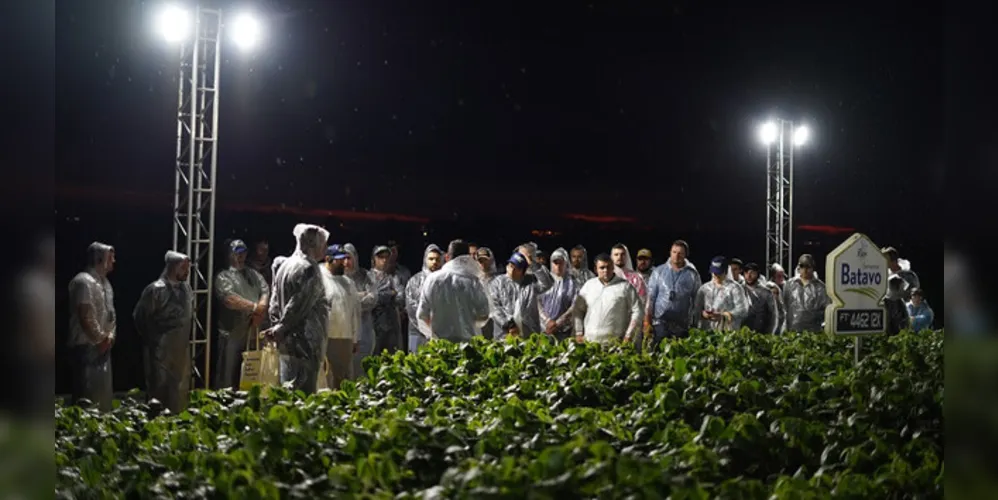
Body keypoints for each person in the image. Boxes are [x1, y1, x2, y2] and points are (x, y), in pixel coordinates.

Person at [264, 224, 331, 394]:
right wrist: (282, 326)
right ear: (313, 243)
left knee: (288, 389)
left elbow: (274, 304)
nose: (325, 249)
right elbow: (299, 303)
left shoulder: (285, 265)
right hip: (306, 343)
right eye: (323, 244)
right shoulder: (309, 268)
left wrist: (278, 327)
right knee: (304, 395)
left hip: (287, 342)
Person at [132, 251, 192, 413]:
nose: (187, 272)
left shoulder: (186, 290)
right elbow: (140, 318)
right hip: (160, 353)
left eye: (188, 268)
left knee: (179, 393)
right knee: (159, 392)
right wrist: (155, 342)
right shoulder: (155, 290)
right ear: (173, 267)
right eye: (183, 268)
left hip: (180, 353)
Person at [213, 240, 270, 389]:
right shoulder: (223, 276)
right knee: (228, 372)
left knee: (252, 372)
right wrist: (254, 307)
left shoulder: (253, 274)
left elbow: (265, 290)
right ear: (229, 255)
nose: (241, 257)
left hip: (253, 331)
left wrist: (261, 307)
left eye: (243, 253)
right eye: (237, 253)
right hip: (232, 333)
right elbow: (230, 299)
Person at [67, 242, 117, 411]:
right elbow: (85, 316)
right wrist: (100, 339)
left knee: (102, 398)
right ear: (99, 259)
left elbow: (111, 315)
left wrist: (109, 337)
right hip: (86, 346)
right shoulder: (83, 281)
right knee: (87, 397)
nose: (113, 261)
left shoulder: (105, 284)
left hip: (103, 346)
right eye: (110, 258)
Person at [416, 239, 491, 343]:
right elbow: (484, 313)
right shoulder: (474, 282)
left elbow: (422, 315)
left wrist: (433, 333)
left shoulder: (432, 279)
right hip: (467, 346)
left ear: (447, 257)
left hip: (440, 346)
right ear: (468, 259)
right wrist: (469, 320)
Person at [572, 253, 643, 346]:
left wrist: (629, 335)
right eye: (602, 268)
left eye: (608, 267)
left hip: (614, 344)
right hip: (590, 342)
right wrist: (578, 332)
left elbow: (637, 310)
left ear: (613, 268)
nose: (605, 270)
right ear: (595, 269)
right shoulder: (588, 286)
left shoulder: (625, 287)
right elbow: (578, 310)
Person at [645, 240, 701, 349]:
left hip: (681, 325)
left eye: (680, 253)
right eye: (674, 252)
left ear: (686, 255)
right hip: (660, 322)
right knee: (658, 352)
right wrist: (647, 321)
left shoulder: (692, 274)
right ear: (670, 252)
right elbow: (650, 298)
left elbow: (696, 300)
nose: (676, 256)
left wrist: (695, 324)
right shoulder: (659, 271)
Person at [489, 246, 554, 339]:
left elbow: (548, 283)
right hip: (505, 334)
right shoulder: (497, 282)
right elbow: (494, 307)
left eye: (517, 268)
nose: (513, 270)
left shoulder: (530, 282)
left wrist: (534, 264)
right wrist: (508, 325)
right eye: (511, 265)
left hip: (529, 334)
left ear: (523, 271)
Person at [321, 244, 361, 389]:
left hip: (346, 337)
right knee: (327, 379)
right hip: (327, 337)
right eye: (339, 260)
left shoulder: (348, 282)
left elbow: (354, 312)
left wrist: (355, 338)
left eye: (345, 259)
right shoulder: (319, 278)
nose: (344, 263)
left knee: (345, 379)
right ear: (328, 259)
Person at [343, 243, 377, 378]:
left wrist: (350, 299)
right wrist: (360, 295)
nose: (346, 262)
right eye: (344, 258)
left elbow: (372, 299)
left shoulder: (366, 276)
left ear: (355, 258)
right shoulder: (338, 278)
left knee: (362, 371)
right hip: (344, 331)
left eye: (349, 258)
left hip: (364, 330)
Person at [404, 244, 444, 352]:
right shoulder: (414, 281)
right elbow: (412, 310)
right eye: (431, 259)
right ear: (425, 260)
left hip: (440, 333)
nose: (434, 262)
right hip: (417, 332)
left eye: (437, 259)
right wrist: (427, 329)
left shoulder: (446, 281)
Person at [694, 256, 749, 332]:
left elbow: (743, 310)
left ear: (726, 271)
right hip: (706, 332)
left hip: (728, 333)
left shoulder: (735, 288)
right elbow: (696, 309)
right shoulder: (704, 289)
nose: (716, 275)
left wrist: (723, 316)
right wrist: (702, 313)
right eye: (714, 272)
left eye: (719, 273)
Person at [538, 248, 581, 342]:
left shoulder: (573, 283)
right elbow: (538, 303)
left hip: (564, 331)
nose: (558, 266)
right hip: (545, 329)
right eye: (555, 263)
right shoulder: (544, 281)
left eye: (561, 263)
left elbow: (574, 306)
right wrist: (547, 321)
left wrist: (557, 323)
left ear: (566, 263)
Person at [369, 245, 406, 355]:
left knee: (392, 356)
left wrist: (382, 296)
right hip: (373, 324)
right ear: (374, 259)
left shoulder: (394, 277)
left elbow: (401, 297)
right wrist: (390, 294)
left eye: (386, 257)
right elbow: (371, 298)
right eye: (380, 257)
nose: (384, 260)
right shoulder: (368, 277)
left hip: (392, 324)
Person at [783, 254, 831, 333]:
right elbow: (784, 307)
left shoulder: (820, 287)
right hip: (792, 331)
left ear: (813, 268)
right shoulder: (789, 285)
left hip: (813, 331)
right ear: (798, 267)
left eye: (808, 267)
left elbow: (827, 309)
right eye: (802, 266)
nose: (805, 270)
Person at [882, 246, 921, 335]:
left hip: (903, 317)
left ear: (893, 261)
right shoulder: (885, 275)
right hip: (889, 317)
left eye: (885, 259)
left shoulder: (909, 276)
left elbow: (913, 296)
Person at [740, 263, 779, 334]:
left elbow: (773, 315)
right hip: (741, 333)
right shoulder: (739, 290)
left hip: (761, 334)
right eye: (746, 273)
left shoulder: (766, 293)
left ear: (758, 274)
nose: (749, 276)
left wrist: (770, 334)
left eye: (752, 273)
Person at [475, 247, 499, 337]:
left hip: (495, 317)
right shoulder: (474, 280)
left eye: (485, 260)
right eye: (480, 261)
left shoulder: (498, 279)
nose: (483, 263)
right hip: (479, 318)